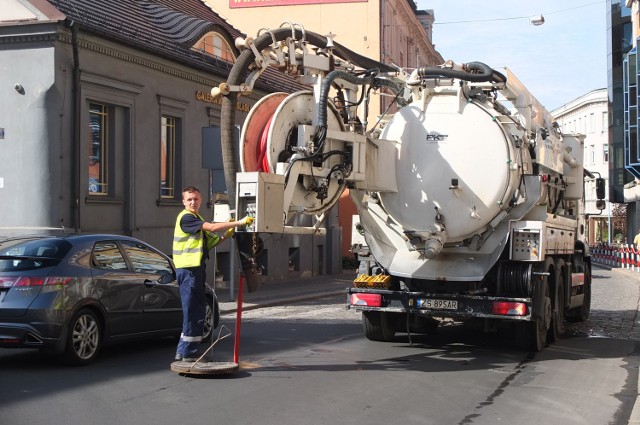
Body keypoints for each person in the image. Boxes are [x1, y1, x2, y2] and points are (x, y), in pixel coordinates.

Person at [173, 186, 253, 361]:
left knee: (198, 310)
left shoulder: (196, 218)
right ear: (184, 202)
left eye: (196, 199)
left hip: (195, 270)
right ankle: (188, 353)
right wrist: (238, 223)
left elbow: (212, 241)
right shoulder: (187, 218)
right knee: (193, 312)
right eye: (190, 199)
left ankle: (183, 351)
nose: (193, 202)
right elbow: (212, 228)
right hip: (188, 270)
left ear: (200, 200)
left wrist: (227, 235)